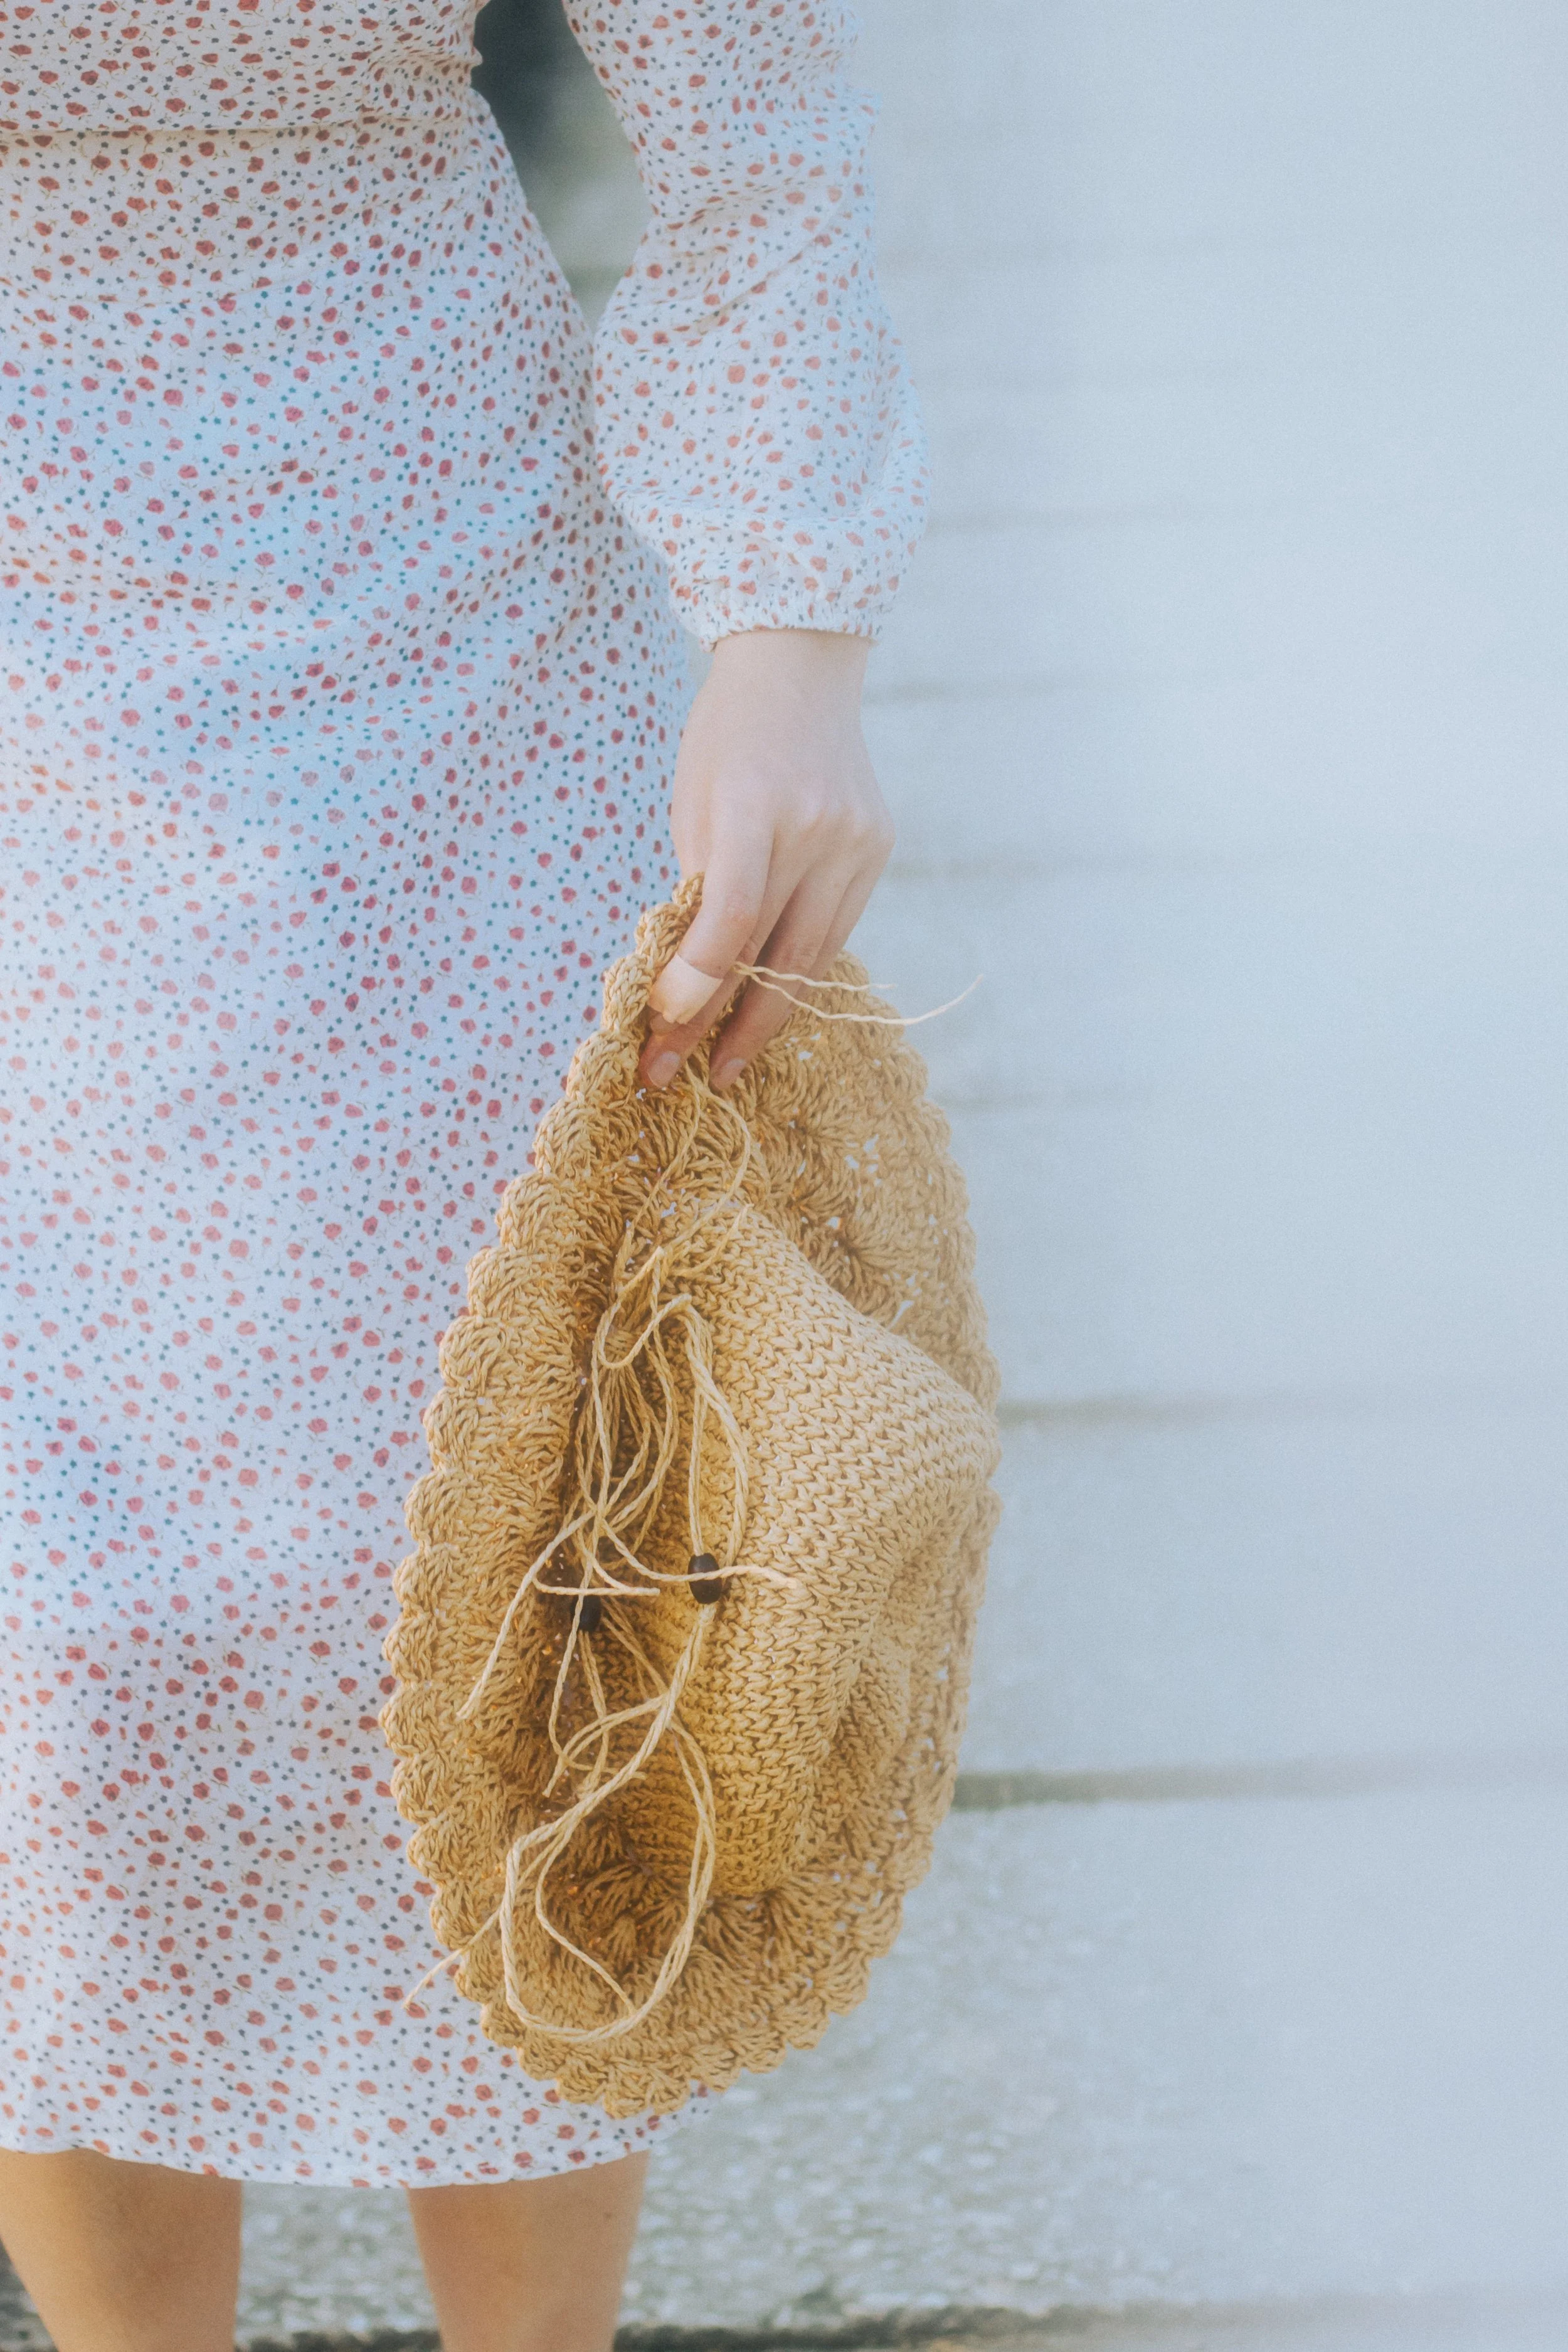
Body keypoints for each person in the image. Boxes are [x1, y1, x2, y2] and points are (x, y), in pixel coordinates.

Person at [0, 0, 924, 2345]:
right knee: (52, 1647)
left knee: (493, 1565)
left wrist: (788, 637)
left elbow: (757, 140)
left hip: (432, 608)